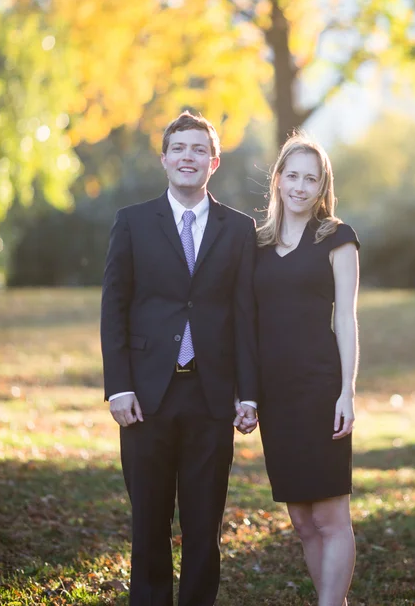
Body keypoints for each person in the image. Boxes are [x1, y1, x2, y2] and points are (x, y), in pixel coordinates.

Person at [101, 111, 259, 606]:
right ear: (164, 159)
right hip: (146, 395)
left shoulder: (239, 229)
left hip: (211, 396)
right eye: (179, 148)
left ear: (214, 161)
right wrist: (118, 385)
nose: (188, 157)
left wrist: (248, 393)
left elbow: (245, 316)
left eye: (198, 150)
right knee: (148, 518)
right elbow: (115, 307)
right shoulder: (132, 222)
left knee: (203, 520)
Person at [253, 132, 360, 606]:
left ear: (322, 187)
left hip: (321, 388)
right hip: (275, 394)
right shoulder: (254, 244)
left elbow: (347, 319)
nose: (299, 186)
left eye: (310, 179)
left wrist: (347, 393)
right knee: (301, 521)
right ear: (277, 180)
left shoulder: (337, 236)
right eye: (292, 176)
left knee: (332, 517)